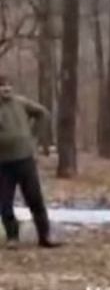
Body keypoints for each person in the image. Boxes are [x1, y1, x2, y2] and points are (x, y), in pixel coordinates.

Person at [0, 75, 60, 248]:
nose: (6, 89)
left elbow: (42, 113)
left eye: (8, 85)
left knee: (35, 199)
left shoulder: (21, 103)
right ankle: (12, 237)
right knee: (5, 203)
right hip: (3, 163)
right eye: (2, 86)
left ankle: (45, 236)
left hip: (25, 159)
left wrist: (32, 136)